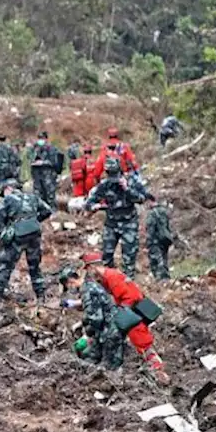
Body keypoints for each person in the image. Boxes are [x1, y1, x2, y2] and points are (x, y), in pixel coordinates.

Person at [69, 252, 169, 384]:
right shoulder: (105, 279)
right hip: (128, 312)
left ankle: (160, 373)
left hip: (133, 313)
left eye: (88, 270)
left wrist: (118, 314)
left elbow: (130, 297)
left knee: (142, 343)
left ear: (92, 267)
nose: (88, 274)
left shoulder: (112, 277)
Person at [85, 158, 148, 277]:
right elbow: (89, 203)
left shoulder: (131, 181)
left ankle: (129, 282)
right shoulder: (105, 185)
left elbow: (141, 199)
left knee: (129, 257)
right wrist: (95, 206)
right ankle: (111, 279)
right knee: (106, 255)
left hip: (128, 223)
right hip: (111, 224)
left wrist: (127, 189)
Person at [0, 178, 53, 301]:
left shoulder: (8, 199)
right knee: (34, 266)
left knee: (5, 264)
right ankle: (41, 295)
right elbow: (47, 210)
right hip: (34, 234)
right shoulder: (33, 197)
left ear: (8, 188)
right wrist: (33, 221)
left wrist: (0, 233)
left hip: (18, 236)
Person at [26, 131, 63, 211]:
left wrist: (43, 162)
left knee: (50, 195)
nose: (40, 140)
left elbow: (54, 162)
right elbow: (29, 158)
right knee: (38, 195)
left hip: (48, 176)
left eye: (42, 138)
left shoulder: (51, 148)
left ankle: (53, 212)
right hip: (37, 176)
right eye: (39, 138)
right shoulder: (34, 148)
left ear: (46, 139)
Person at [145, 201, 174, 280]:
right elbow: (168, 226)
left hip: (155, 241)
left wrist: (148, 242)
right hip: (165, 239)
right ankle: (166, 278)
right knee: (164, 259)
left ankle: (161, 279)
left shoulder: (151, 214)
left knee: (156, 260)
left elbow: (150, 229)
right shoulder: (164, 211)